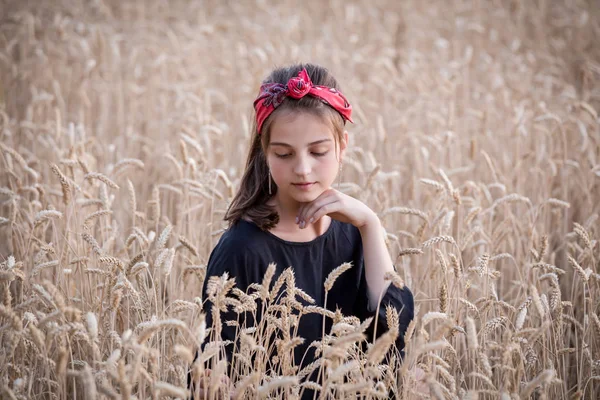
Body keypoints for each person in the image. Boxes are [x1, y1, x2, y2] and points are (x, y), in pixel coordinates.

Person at [188, 63, 414, 399]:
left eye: (318, 151)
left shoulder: (354, 234)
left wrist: (371, 225)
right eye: (284, 153)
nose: (303, 168)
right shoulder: (242, 250)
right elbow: (215, 373)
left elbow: (393, 333)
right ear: (265, 154)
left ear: (342, 146)